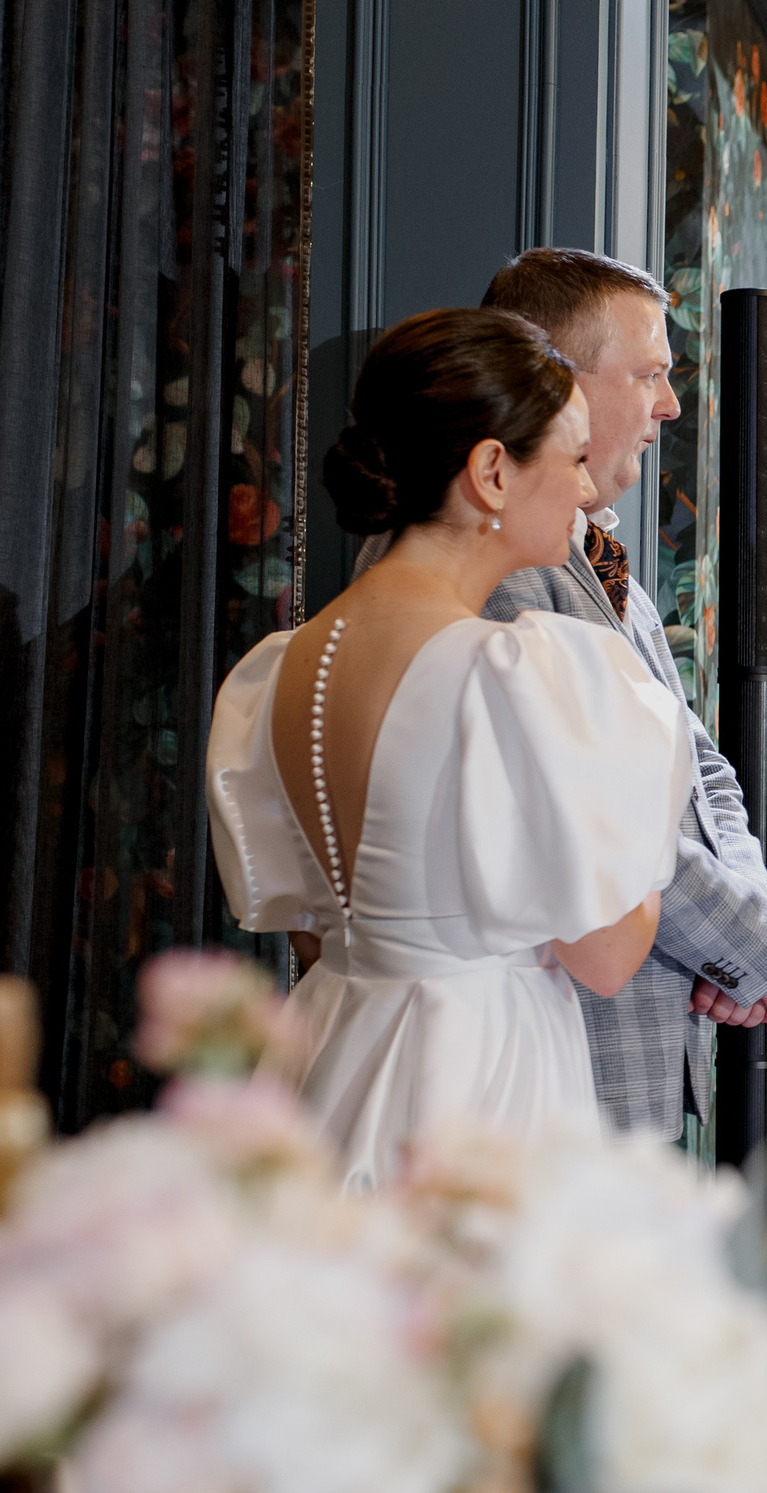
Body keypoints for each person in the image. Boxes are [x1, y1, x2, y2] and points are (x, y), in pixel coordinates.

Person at [207, 309, 691, 1187]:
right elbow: (609, 954)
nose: (587, 492)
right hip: (477, 1083)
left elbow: (317, 934)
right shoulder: (515, 671)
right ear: (493, 472)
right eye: (574, 458)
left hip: (333, 1056)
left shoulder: (280, 667)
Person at [383, 247, 767, 1142]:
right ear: (556, 379)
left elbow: (700, 771)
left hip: (637, 1034)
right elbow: (602, 829)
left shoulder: (609, 569)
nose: (670, 405)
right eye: (650, 374)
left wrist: (750, 909)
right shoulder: (493, 575)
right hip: (558, 1051)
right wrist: (754, 954)